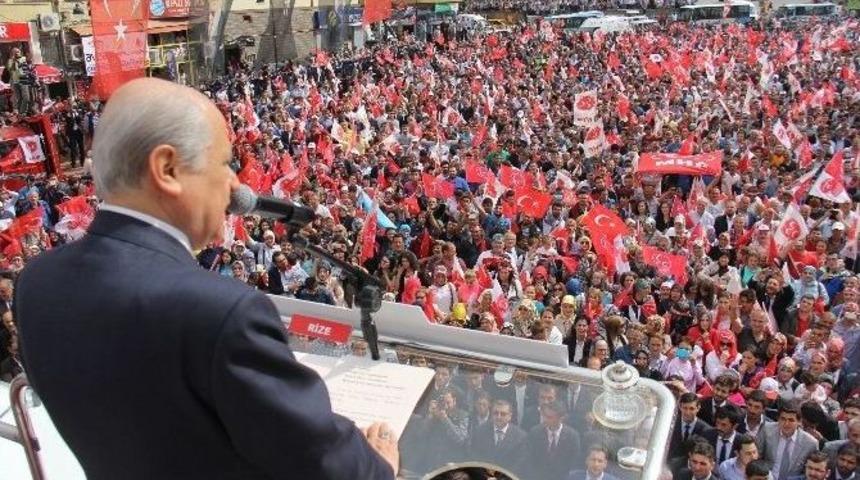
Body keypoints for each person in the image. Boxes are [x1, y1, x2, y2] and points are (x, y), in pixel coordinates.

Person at [14, 79, 398, 479]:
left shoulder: (38, 283)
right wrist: (378, 465)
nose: (236, 186)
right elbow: (325, 464)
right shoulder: (222, 313)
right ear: (167, 169)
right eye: (225, 164)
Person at [756, 401, 820, 480]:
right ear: (778, 419)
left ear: (799, 422)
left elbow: (811, 471)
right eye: (783, 419)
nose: (786, 424)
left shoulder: (811, 443)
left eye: (791, 420)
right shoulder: (767, 430)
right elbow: (757, 457)